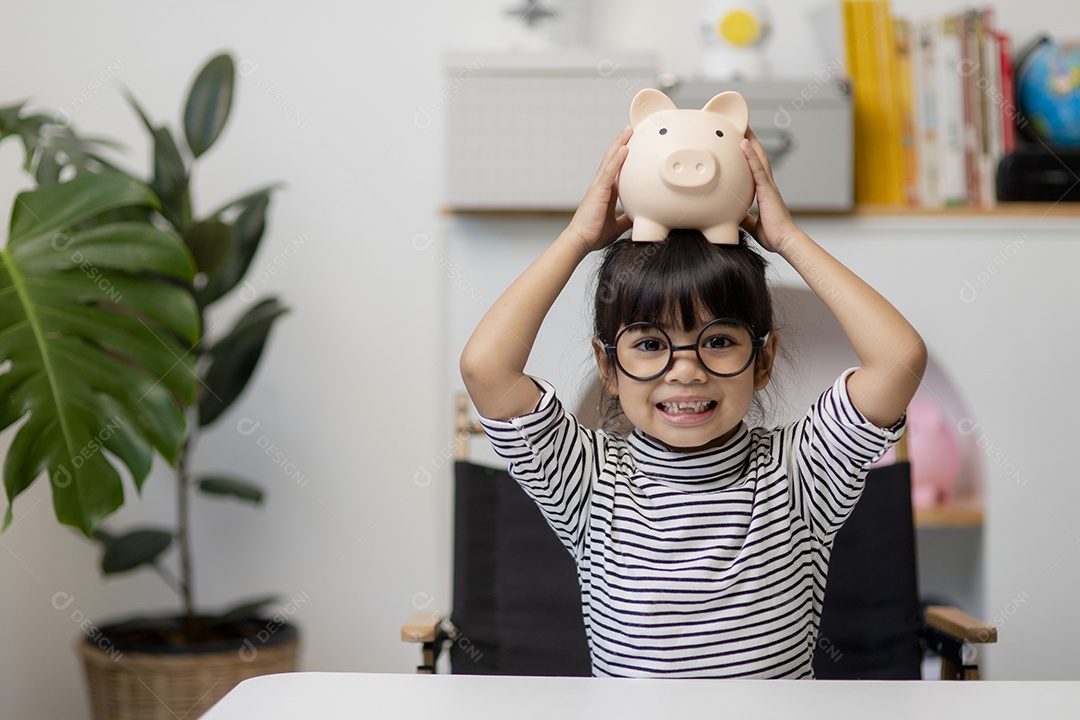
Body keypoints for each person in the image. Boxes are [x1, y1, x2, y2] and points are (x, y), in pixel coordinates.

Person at [459, 125, 927, 678]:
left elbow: (899, 358)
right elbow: (485, 368)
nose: (685, 370)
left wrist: (789, 239)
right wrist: (579, 237)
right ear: (609, 365)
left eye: (720, 341)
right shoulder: (588, 482)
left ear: (764, 359)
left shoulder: (801, 472)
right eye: (651, 344)